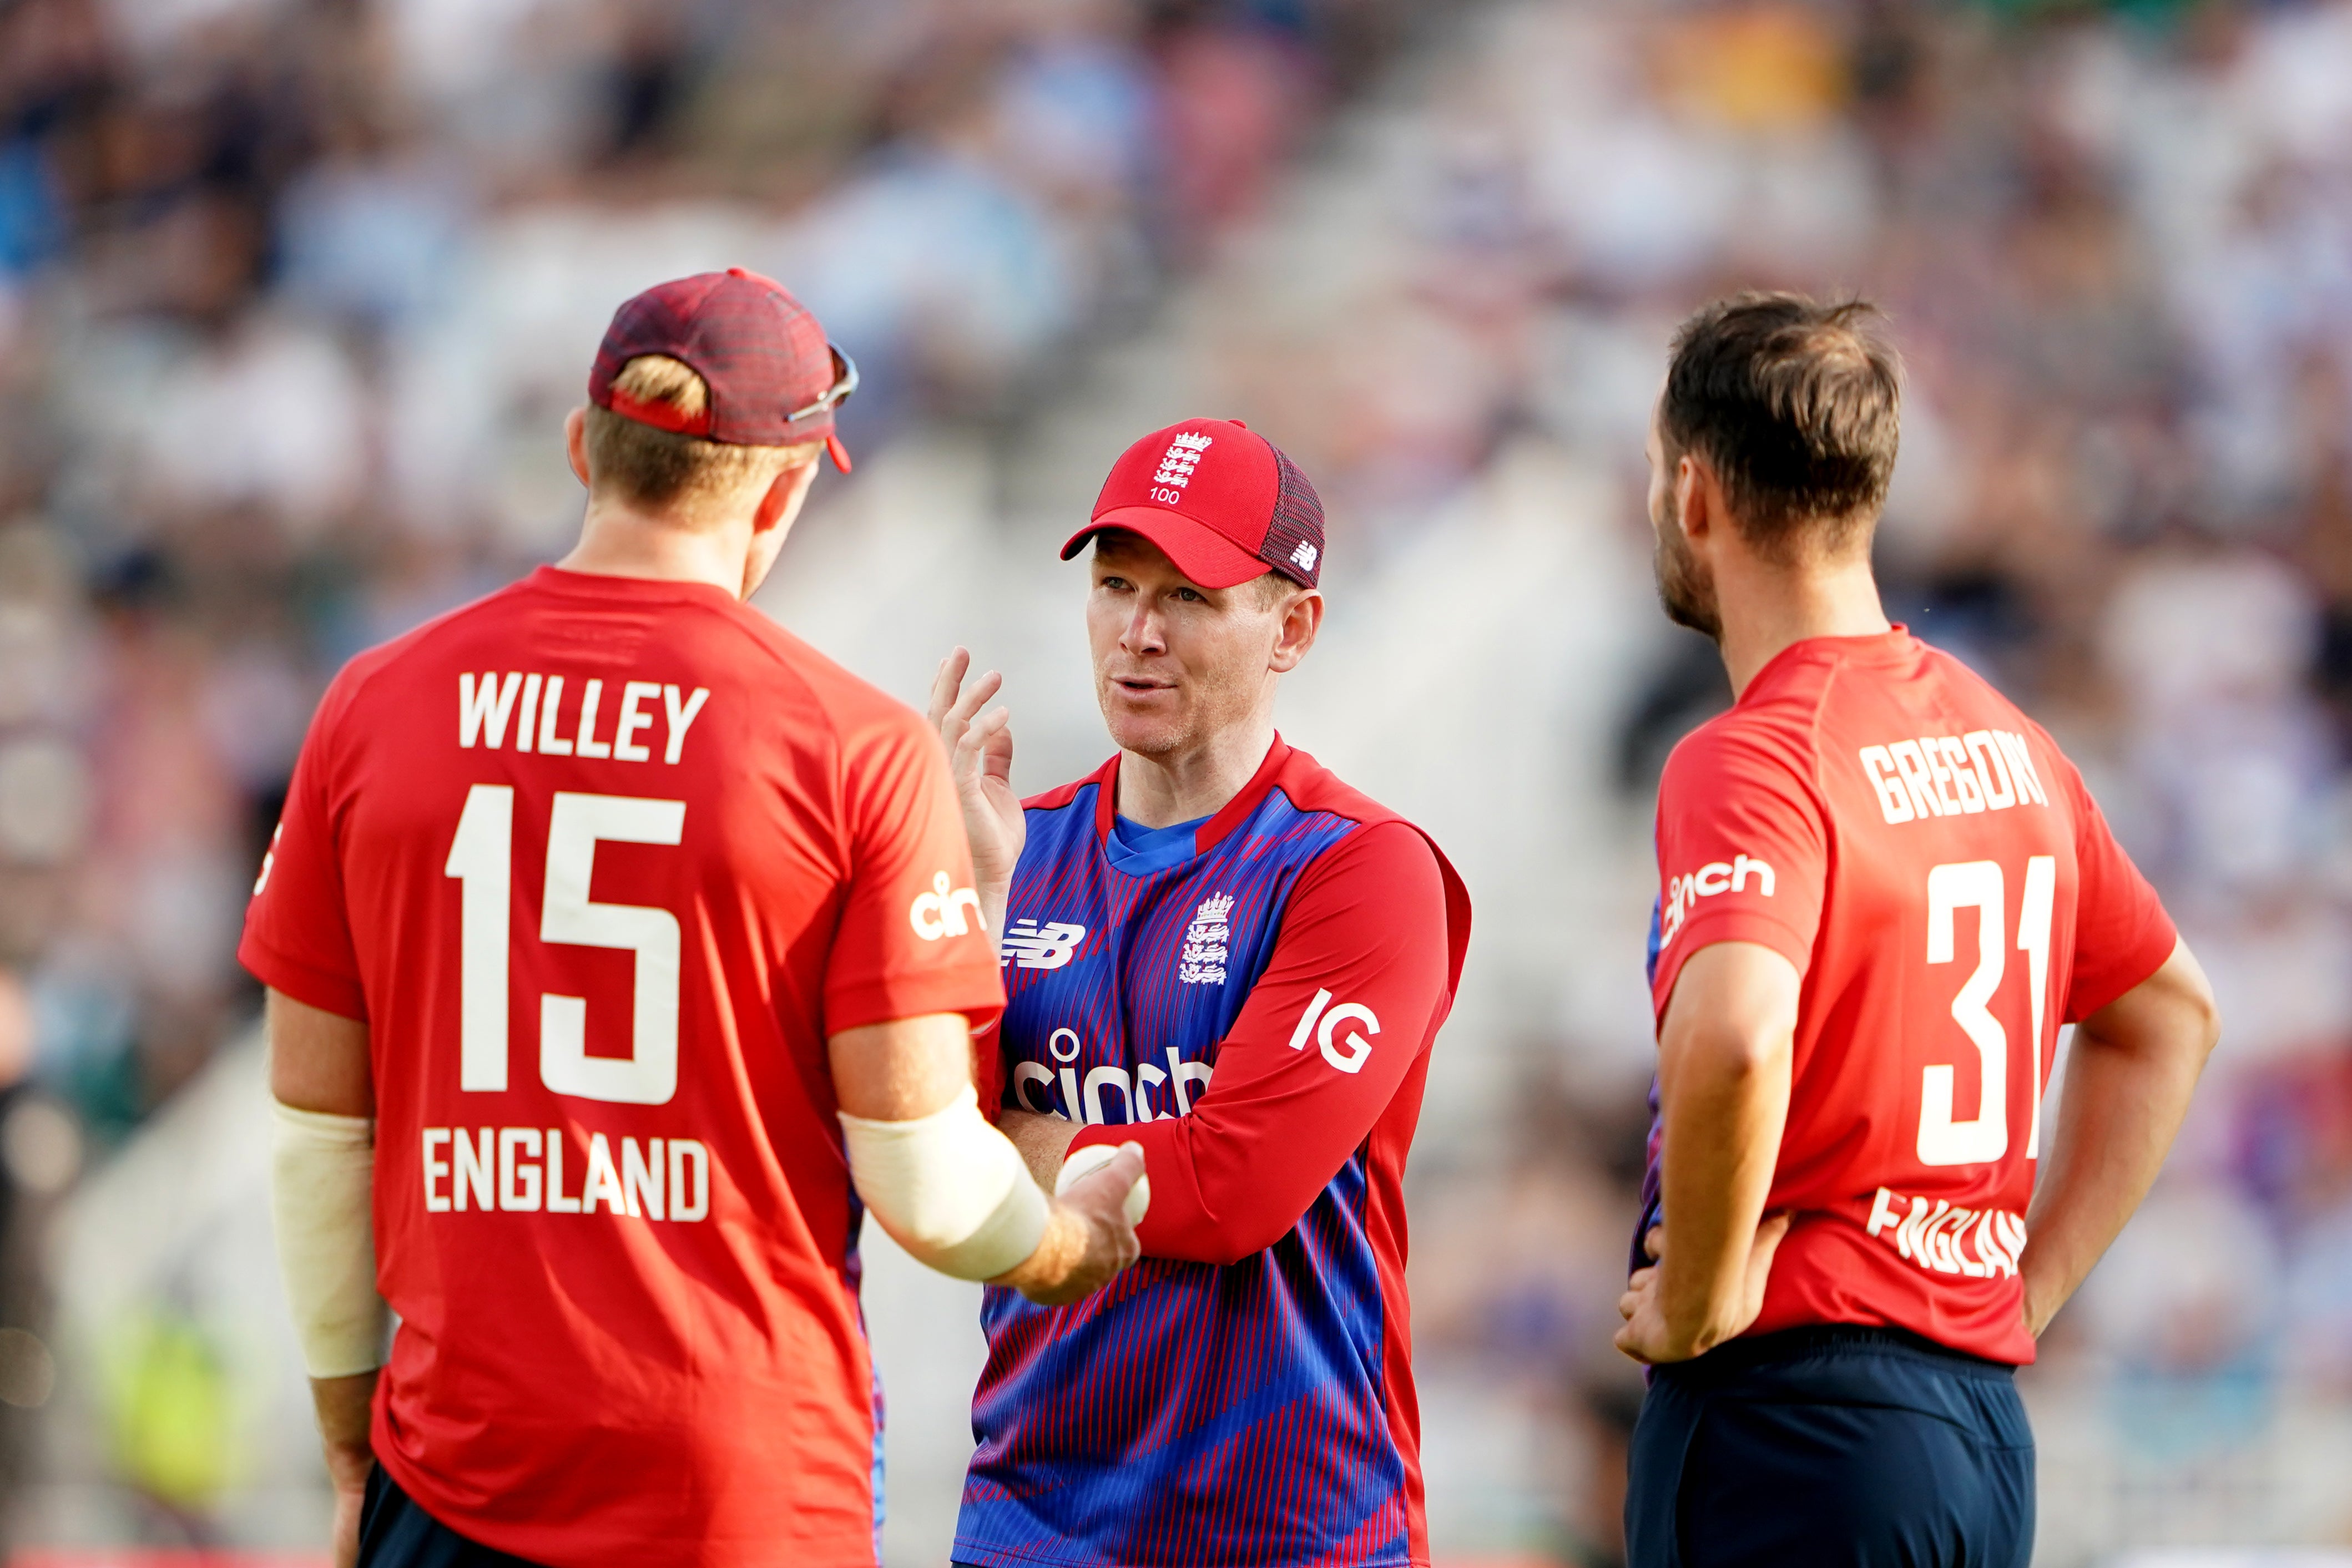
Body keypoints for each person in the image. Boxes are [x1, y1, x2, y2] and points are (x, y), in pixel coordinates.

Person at [240, 269, 1144, 1568]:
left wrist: (348, 1450)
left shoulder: (371, 705)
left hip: (451, 1473)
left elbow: (320, 1137)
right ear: (781, 492)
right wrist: (1068, 1244)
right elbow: (927, 1186)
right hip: (740, 1483)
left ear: (578, 449)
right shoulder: (855, 747)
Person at [1616, 292, 2221, 1567]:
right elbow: (2169, 1017)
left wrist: (1695, 1296)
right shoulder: (2009, 744)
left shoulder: (1752, 758)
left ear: (1693, 494)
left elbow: (1732, 1037)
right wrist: (2021, 1296)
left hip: (1794, 1426)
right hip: (1975, 1434)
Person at [926, 418, 1473, 1568]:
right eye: (1117, 584)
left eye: (1190, 597)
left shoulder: (1358, 867)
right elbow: (928, 1161)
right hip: (1032, 1517)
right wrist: (972, 897)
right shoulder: (1012, 849)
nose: (1138, 633)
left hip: (1292, 1524)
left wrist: (1012, 1146)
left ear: (1293, 628)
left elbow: (1232, 1194)